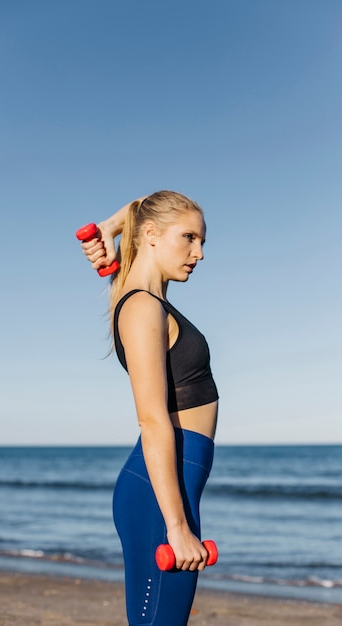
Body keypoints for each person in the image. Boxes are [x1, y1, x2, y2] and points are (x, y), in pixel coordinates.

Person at [80, 191, 219, 626]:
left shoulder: (143, 295)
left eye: (202, 242)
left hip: (172, 481)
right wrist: (176, 527)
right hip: (160, 496)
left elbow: (146, 206)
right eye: (189, 238)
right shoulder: (141, 306)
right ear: (152, 236)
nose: (198, 253)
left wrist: (108, 227)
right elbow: (154, 420)